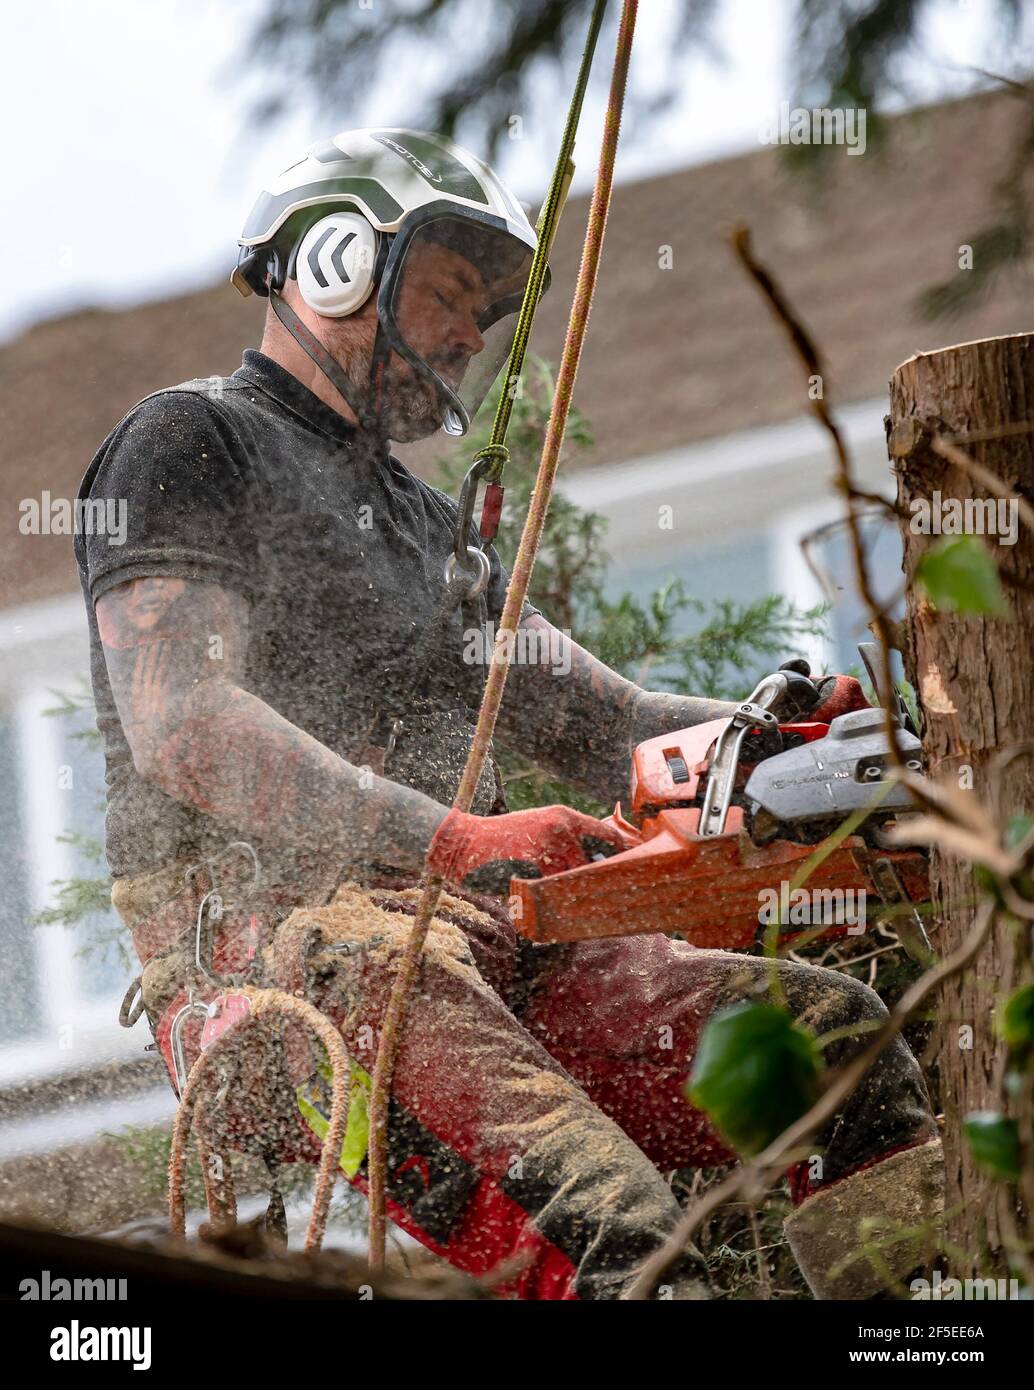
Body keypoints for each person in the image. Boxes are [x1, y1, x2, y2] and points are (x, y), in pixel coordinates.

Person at [75, 128, 942, 1300]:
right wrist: (451, 837)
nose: (467, 336)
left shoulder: (432, 531)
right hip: (299, 966)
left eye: (483, 312)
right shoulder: (189, 441)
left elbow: (609, 719)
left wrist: (786, 740)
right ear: (334, 259)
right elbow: (183, 721)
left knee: (837, 1050)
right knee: (620, 1239)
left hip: (491, 939)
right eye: (445, 290)